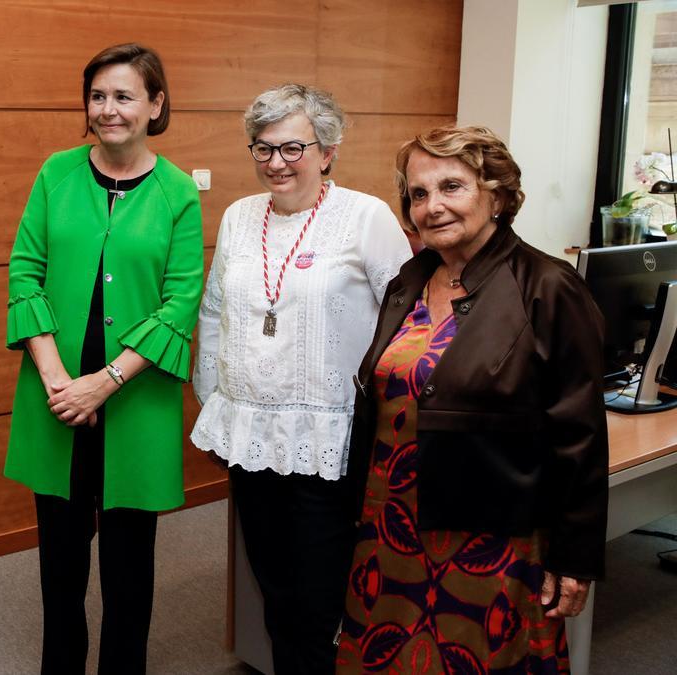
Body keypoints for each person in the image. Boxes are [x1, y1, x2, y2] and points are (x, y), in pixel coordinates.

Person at [337, 126, 608, 673]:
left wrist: (573, 557)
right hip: (391, 526)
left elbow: (579, 435)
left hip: (490, 538)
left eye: (452, 187)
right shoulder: (410, 280)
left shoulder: (547, 286)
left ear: (497, 194)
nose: (431, 206)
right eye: (417, 193)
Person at [191, 84, 412, 674]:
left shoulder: (366, 217)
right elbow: (215, 312)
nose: (276, 163)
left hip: (328, 443)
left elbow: (405, 318)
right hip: (252, 437)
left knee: (319, 600)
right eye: (262, 149)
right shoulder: (240, 216)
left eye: (293, 147)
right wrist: (214, 399)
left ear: (328, 150)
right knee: (274, 590)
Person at [3, 43, 203, 675]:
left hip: (134, 401)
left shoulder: (177, 193)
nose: (109, 109)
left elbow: (180, 302)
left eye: (124, 96)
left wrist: (105, 382)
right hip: (56, 402)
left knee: (128, 572)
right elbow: (24, 274)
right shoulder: (55, 174)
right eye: (98, 96)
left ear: (155, 104)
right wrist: (59, 379)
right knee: (59, 567)